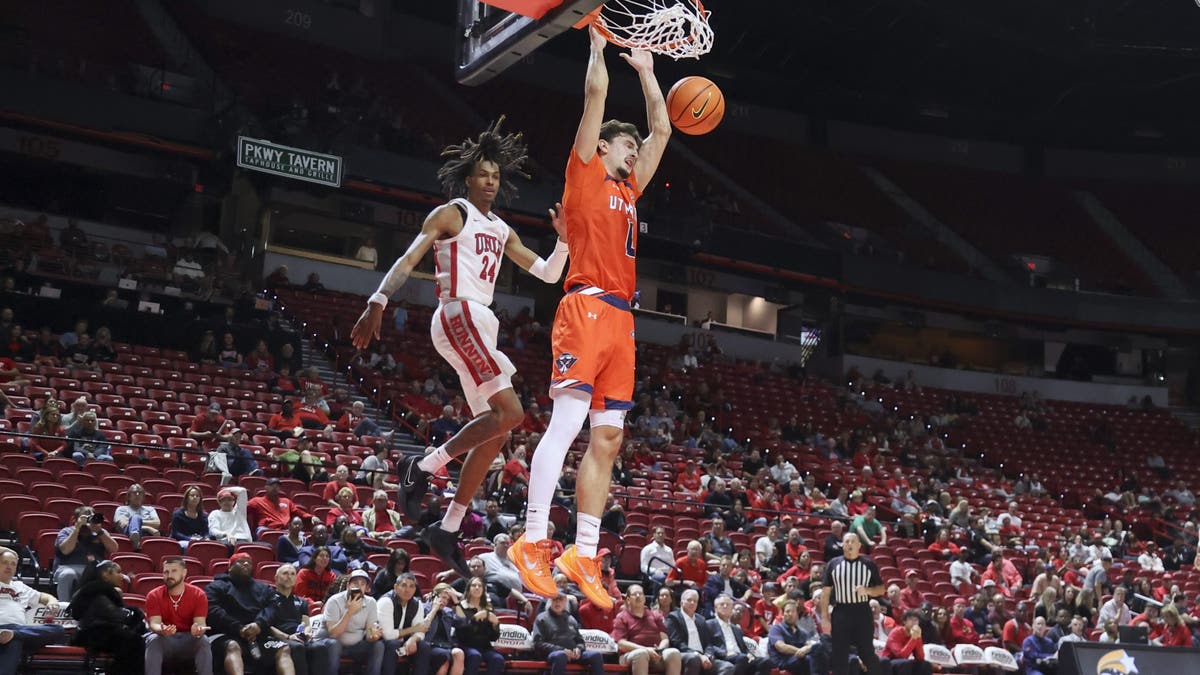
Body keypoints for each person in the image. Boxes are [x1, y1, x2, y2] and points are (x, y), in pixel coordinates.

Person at [350, 117, 570, 580]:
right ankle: (422, 464)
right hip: (458, 312)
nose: (491, 182)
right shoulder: (453, 212)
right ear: (469, 178)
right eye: (484, 175)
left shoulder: (502, 228)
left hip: (482, 322)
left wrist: (564, 240)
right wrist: (378, 300)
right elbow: (410, 257)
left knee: (498, 433)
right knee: (511, 412)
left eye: (496, 176)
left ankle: (447, 527)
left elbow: (549, 273)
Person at [509, 24, 672, 611]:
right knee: (567, 426)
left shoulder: (631, 191)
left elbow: (664, 129)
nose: (633, 152)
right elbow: (595, 100)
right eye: (624, 147)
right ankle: (530, 540)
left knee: (609, 437)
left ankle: (581, 551)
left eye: (633, 148)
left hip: (624, 320)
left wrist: (649, 72)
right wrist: (600, 48)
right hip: (585, 305)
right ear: (603, 149)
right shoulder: (584, 173)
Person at [205, 551, 294, 675]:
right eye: (240, 562)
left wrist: (258, 624)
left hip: (258, 635)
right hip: (226, 634)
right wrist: (239, 628)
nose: (246, 564)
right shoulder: (216, 586)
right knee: (233, 646)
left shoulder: (263, 588)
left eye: (249, 562)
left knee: (283, 648)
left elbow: (273, 608)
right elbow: (213, 611)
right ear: (230, 567)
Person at [817, 533, 884, 675]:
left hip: (862, 612)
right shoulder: (833, 564)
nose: (850, 544)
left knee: (867, 653)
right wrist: (824, 618)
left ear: (859, 545)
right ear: (842, 545)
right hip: (841, 612)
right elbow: (825, 593)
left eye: (853, 541)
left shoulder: (869, 564)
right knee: (839, 655)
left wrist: (866, 590)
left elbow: (881, 589)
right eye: (846, 541)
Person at [258, 564, 338, 675]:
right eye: (285, 573)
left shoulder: (302, 601)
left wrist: (306, 633)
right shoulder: (267, 598)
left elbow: (306, 622)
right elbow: (267, 626)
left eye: (292, 574)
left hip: (298, 637)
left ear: (296, 578)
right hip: (277, 638)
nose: (289, 576)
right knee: (297, 647)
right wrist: (288, 637)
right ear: (276, 578)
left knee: (320, 647)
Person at [70, 560, 145, 673]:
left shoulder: (95, 589)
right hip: (92, 636)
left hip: (97, 633)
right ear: (106, 574)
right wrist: (135, 614)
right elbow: (118, 616)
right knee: (135, 642)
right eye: (118, 572)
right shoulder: (97, 591)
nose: (122, 576)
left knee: (131, 639)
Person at [0, 546, 65, 674]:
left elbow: (44, 597)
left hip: (18, 630)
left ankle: (12, 635)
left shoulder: (20, 586)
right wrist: (12, 552)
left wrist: (53, 602)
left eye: (13, 564)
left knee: (58, 630)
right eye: (4, 562)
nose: (9, 566)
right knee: (15, 641)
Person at [145, 557, 213, 675]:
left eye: (174, 571)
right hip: (166, 639)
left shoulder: (198, 594)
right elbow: (154, 623)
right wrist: (162, 629)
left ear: (184, 572)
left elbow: (201, 623)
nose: (169, 575)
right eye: (166, 572)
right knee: (153, 640)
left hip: (189, 638)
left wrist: (198, 630)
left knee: (203, 641)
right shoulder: (154, 595)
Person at [379, 573, 449, 675]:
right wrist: (413, 630)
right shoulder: (386, 601)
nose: (407, 590)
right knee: (393, 644)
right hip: (382, 642)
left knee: (423, 646)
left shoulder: (417, 604)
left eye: (411, 586)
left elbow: (421, 631)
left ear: (415, 589)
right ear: (396, 587)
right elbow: (388, 635)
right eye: (404, 585)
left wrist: (413, 639)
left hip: (403, 642)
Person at [317, 569, 383, 675]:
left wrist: (373, 636)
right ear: (348, 585)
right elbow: (333, 634)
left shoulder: (371, 602)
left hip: (356, 645)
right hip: (330, 643)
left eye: (362, 584)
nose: (358, 586)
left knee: (378, 645)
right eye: (355, 583)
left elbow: (370, 634)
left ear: (366, 588)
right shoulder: (334, 601)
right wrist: (349, 612)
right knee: (334, 644)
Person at [612, 585, 683, 675]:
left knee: (674, 652)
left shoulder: (655, 615)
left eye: (640, 594)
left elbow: (664, 638)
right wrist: (646, 650)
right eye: (634, 594)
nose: (638, 596)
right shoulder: (621, 617)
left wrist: (659, 650)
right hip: (630, 654)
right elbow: (621, 643)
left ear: (644, 598)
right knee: (641, 654)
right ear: (628, 600)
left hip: (656, 654)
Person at [533, 588, 606, 675]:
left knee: (596, 655)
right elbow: (538, 643)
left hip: (573, 654)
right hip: (553, 654)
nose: (558, 602)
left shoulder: (571, 619)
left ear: (565, 602)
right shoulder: (541, 618)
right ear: (550, 601)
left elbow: (580, 641)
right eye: (555, 599)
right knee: (560, 656)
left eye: (561, 599)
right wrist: (562, 650)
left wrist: (579, 649)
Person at [54, 505, 118, 602]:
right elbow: (65, 550)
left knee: (109, 575)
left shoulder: (100, 532)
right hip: (69, 567)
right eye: (85, 517)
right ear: (75, 519)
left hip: (94, 569)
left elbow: (114, 549)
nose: (89, 521)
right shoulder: (67, 531)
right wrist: (77, 529)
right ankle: (65, 608)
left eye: (91, 517)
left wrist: (99, 531)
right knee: (68, 575)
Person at [665, 588, 728, 675]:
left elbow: (708, 643)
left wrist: (708, 655)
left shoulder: (701, 619)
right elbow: (677, 642)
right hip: (684, 654)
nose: (692, 603)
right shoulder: (673, 617)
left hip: (704, 656)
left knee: (727, 667)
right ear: (681, 602)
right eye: (689, 600)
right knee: (694, 659)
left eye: (695, 601)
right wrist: (698, 655)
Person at [455, 576, 504, 675]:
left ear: (483, 589)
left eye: (480, 586)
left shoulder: (488, 608)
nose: (477, 588)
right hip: (466, 645)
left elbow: (494, 638)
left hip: (485, 646)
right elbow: (462, 633)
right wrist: (474, 619)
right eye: (473, 585)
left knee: (498, 659)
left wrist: (495, 625)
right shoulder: (461, 607)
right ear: (468, 589)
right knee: (475, 656)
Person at [707, 594, 767, 675]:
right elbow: (708, 645)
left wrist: (749, 654)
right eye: (721, 604)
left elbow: (743, 647)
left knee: (765, 662)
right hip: (724, 656)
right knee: (742, 659)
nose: (725, 606)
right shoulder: (709, 624)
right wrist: (725, 653)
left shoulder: (737, 629)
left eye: (728, 605)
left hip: (741, 656)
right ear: (715, 608)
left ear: (731, 609)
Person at [768, 600, 821, 674]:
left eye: (793, 611)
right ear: (783, 615)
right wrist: (800, 651)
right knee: (809, 659)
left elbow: (810, 644)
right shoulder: (776, 629)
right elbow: (781, 647)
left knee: (819, 649)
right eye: (787, 611)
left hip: (799, 659)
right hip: (783, 661)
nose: (790, 614)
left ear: (797, 614)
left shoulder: (801, 632)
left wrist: (806, 649)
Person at [881, 610, 932, 675]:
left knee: (925, 664)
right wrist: (913, 638)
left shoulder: (916, 633)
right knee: (905, 663)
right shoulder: (895, 633)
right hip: (888, 663)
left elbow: (920, 657)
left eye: (916, 620)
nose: (914, 622)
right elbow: (901, 655)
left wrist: (917, 638)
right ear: (904, 622)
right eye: (911, 619)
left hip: (903, 662)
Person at [113, 483, 162, 549]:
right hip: (127, 536)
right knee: (136, 517)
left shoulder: (150, 509)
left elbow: (157, 523)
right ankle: (135, 540)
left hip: (147, 536)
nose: (137, 494)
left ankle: (136, 539)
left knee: (136, 519)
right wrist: (148, 528)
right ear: (129, 496)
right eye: (134, 492)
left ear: (143, 497)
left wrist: (135, 523)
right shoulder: (121, 509)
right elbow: (123, 524)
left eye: (140, 493)